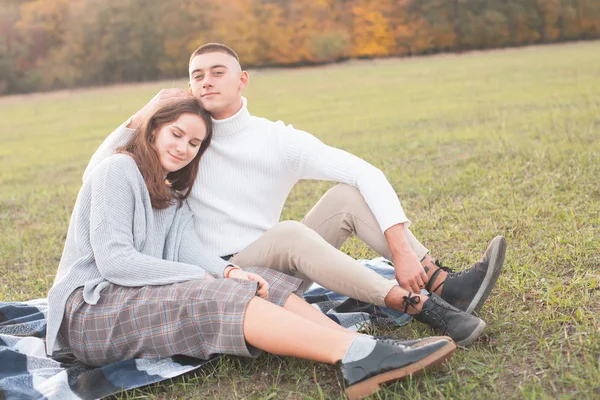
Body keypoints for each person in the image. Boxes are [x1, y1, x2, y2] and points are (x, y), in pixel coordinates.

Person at [83, 43, 507, 345]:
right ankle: (419, 305)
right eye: (197, 75)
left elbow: (366, 172)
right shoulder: (183, 142)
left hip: (279, 267)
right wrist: (143, 113)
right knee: (288, 233)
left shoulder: (276, 139)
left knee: (347, 195)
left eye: (217, 72)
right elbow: (100, 174)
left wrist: (402, 250)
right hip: (216, 273)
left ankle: (444, 284)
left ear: (242, 80)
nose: (206, 81)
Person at [45, 97, 457, 399]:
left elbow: (191, 252)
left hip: (132, 299)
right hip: (89, 312)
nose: (183, 147)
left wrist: (229, 272)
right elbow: (116, 262)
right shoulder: (118, 170)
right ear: (153, 129)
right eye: (176, 134)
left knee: (260, 282)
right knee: (210, 293)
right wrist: (211, 278)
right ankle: (352, 353)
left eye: (193, 143)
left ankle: (368, 352)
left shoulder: (171, 197)